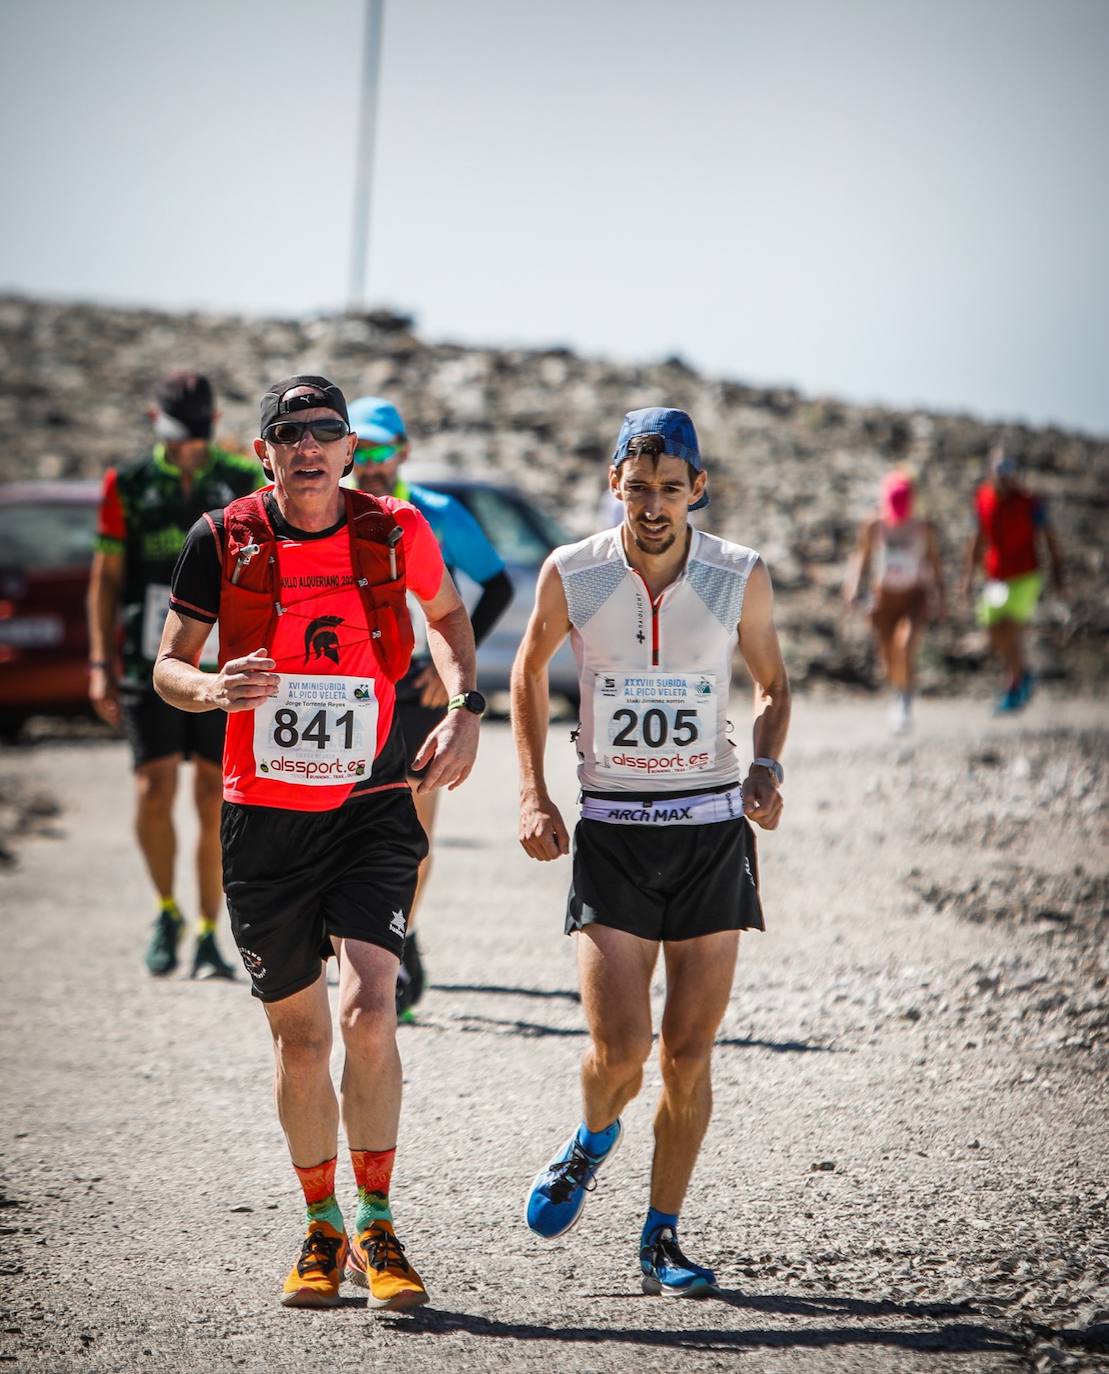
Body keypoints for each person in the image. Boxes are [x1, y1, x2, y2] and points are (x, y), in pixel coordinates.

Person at [152, 376, 482, 1311]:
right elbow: (169, 666)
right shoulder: (221, 538)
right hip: (263, 815)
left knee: (369, 1010)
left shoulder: (394, 529)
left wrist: (463, 709)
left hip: (372, 797)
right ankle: (320, 1224)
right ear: (263, 452)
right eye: (288, 433)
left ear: (349, 451)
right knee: (300, 1044)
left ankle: (377, 1221)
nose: (308, 447)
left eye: (325, 433)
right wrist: (212, 689)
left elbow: (449, 618)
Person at [512, 407, 790, 1297]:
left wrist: (767, 763)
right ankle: (594, 1137)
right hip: (614, 836)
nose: (655, 505)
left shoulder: (737, 575)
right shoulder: (575, 573)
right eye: (639, 489)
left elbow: (773, 683)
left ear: (697, 488)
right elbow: (524, 672)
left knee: (689, 1054)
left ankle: (660, 1236)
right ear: (614, 485)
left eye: (672, 489)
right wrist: (531, 792)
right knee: (621, 1052)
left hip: (711, 833)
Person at [88, 370, 262, 979]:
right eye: (176, 437)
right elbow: (106, 581)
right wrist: (98, 664)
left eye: (198, 436)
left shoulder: (242, 479)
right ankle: (167, 910)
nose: (188, 448)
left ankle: (213, 928)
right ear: (153, 424)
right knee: (153, 790)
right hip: (147, 660)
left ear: (215, 427)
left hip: (224, 666)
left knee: (214, 797)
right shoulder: (128, 485)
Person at [346, 396, 513, 1017]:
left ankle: (401, 942)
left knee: (412, 835)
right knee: (339, 824)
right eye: (363, 449)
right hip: (351, 693)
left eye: (385, 449)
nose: (374, 463)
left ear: (405, 451)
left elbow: (495, 581)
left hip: (416, 692)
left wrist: (450, 674)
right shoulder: (328, 513)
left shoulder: (436, 514)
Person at [962, 444, 1064, 712]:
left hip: (1025, 575)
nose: (1005, 474)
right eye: (1000, 468)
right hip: (995, 575)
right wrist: (969, 575)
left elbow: (1050, 538)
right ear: (990, 470)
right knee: (993, 629)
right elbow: (977, 538)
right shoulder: (982, 498)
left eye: (1010, 468)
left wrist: (1058, 573)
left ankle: (1014, 684)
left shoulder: (1030, 502)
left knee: (1011, 629)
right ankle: (1023, 674)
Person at [843, 470, 945, 735]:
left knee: (905, 646)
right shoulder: (874, 525)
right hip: (883, 598)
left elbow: (934, 563)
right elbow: (861, 556)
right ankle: (899, 691)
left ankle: (904, 701)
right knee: (888, 656)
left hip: (913, 597)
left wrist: (940, 596)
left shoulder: (924, 528)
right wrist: (853, 585)